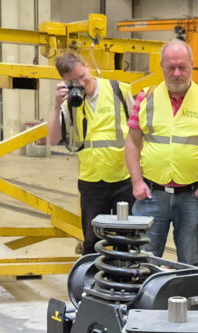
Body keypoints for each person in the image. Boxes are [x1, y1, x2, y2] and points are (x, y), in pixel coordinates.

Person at [125, 40, 198, 266]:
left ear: (192, 65)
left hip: (192, 195)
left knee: (189, 262)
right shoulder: (146, 97)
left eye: (183, 67)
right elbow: (132, 142)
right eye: (171, 67)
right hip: (151, 194)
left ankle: (186, 291)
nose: (177, 73)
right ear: (161, 67)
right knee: (143, 261)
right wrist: (136, 182)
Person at [47, 51, 134, 255]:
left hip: (124, 179)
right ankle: (93, 275)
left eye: (82, 77)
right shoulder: (70, 102)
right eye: (73, 82)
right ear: (64, 82)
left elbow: (138, 130)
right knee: (92, 243)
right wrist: (57, 106)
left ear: (88, 67)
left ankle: (125, 275)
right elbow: (52, 139)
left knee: (127, 241)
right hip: (92, 181)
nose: (80, 84)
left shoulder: (118, 90)